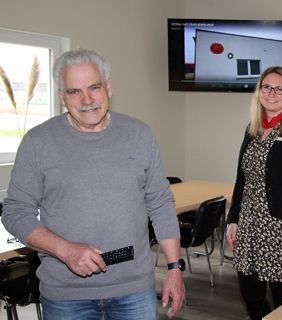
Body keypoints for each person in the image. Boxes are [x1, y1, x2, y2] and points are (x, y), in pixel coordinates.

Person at [1, 48, 184, 319]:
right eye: (75, 91)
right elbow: (15, 212)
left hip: (134, 290)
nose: (87, 99)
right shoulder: (38, 142)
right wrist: (66, 251)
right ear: (62, 97)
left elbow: (160, 204)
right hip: (65, 295)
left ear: (108, 87)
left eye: (94, 87)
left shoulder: (139, 134)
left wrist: (174, 268)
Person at [226, 66, 282, 320]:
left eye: (280, 88)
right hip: (248, 226)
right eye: (267, 87)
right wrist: (233, 219)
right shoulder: (252, 129)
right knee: (250, 295)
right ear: (259, 92)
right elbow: (241, 179)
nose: (272, 93)